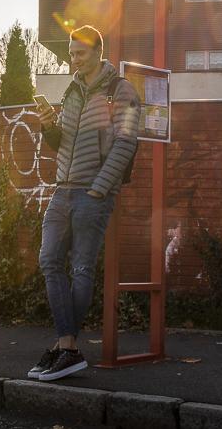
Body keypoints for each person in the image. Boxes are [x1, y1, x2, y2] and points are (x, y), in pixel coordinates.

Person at [29, 25, 140, 381]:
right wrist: (48, 127)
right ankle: (68, 347)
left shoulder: (119, 90)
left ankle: (67, 348)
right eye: (71, 54)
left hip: (92, 194)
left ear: (97, 53)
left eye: (79, 54)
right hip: (62, 190)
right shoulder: (72, 88)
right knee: (48, 261)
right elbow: (62, 142)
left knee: (80, 270)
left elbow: (126, 142)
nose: (73, 60)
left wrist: (99, 189)